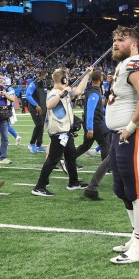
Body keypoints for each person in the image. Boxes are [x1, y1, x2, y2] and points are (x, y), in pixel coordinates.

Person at [105, 26, 139, 264]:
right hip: (120, 134)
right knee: (122, 190)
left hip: (132, 133)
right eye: (114, 39)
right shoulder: (123, 65)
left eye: (121, 39)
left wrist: (131, 128)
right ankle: (138, 238)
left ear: (133, 44)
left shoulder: (138, 62)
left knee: (136, 190)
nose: (115, 43)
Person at [31, 67, 92, 196]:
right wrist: (61, 94)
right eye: (67, 79)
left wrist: (87, 75)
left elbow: (79, 90)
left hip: (65, 132)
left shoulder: (63, 91)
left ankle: (73, 182)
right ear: (63, 79)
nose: (68, 81)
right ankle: (39, 187)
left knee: (71, 156)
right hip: (59, 133)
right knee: (53, 159)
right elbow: (49, 105)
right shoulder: (55, 92)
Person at [74, 70, 109, 161]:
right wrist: (90, 128)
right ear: (100, 79)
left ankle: (69, 159)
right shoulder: (94, 92)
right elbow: (90, 111)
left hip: (92, 123)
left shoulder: (92, 89)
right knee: (105, 144)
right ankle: (107, 167)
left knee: (86, 146)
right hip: (95, 123)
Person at [25, 69, 48, 153]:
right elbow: (28, 95)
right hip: (35, 107)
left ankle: (39, 145)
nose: (44, 77)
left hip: (42, 107)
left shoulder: (43, 85)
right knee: (39, 125)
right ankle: (31, 143)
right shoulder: (33, 84)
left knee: (41, 126)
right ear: (39, 75)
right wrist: (36, 105)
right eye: (43, 75)